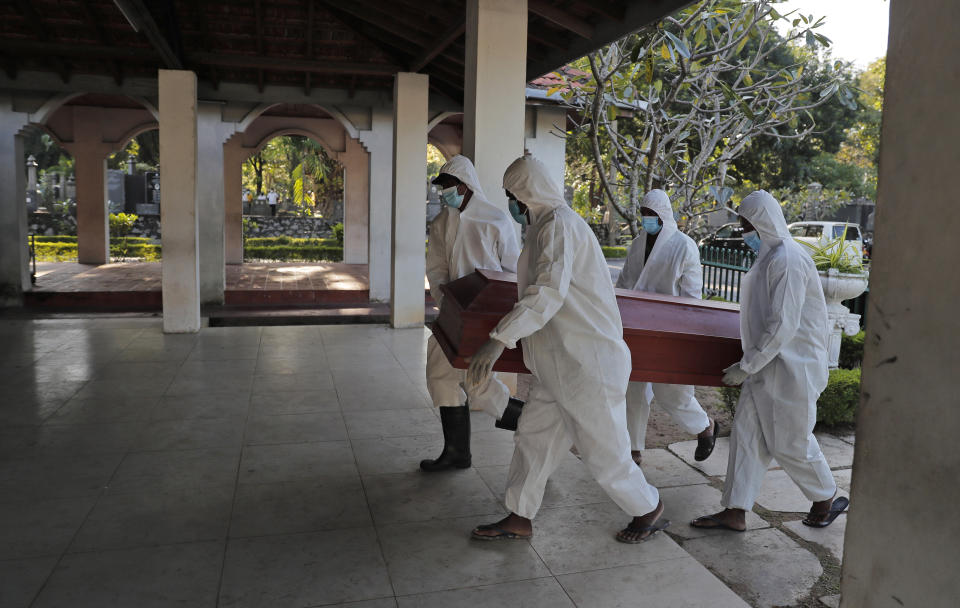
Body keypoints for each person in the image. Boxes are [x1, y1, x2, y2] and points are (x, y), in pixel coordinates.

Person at [467, 155, 667, 544]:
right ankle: (519, 516)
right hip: (559, 365)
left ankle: (649, 509)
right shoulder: (542, 226)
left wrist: (498, 339)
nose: (511, 203)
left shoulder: (559, 226)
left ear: (528, 192)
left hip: (587, 365)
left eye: (513, 195)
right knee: (533, 438)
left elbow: (547, 292)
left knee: (603, 454)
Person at [691, 190, 848, 532]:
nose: (744, 232)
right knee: (746, 436)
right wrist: (751, 363)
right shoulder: (770, 257)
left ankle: (827, 495)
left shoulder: (788, 259)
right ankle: (735, 510)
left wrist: (746, 366)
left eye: (748, 225)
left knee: (790, 441)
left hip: (793, 368)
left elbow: (782, 324)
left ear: (764, 223)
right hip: (767, 366)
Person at [420, 154, 522, 473]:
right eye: (442, 186)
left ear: (464, 186)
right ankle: (456, 452)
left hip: (485, 315)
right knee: (439, 372)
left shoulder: (495, 219)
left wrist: (497, 312)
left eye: (448, 185)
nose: (444, 192)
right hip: (452, 311)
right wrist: (444, 298)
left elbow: (511, 271)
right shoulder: (442, 222)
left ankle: (534, 428)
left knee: (477, 382)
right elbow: (436, 267)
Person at [615, 190, 718, 465]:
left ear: (664, 216)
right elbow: (625, 283)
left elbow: (692, 297)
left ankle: (704, 426)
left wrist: (683, 332)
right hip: (637, 327)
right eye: (644, 214)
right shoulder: (637, 244)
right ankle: (634, 450)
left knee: (671, 392)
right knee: (633, 388)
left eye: (652, 215)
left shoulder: (684, 246)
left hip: (671, 329)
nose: (647, 219)